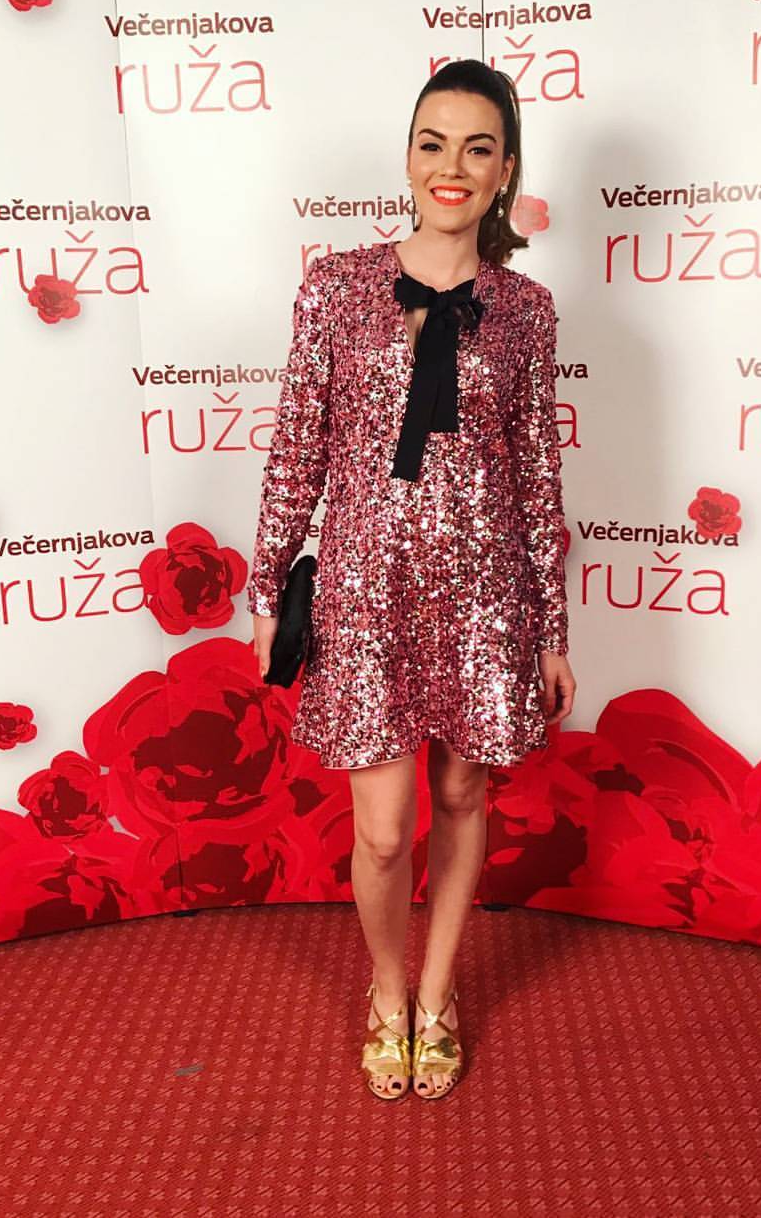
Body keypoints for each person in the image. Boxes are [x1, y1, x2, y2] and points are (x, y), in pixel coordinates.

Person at [247, 60, 576, 1100]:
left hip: (486, 594)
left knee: (463, 792)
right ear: (407, 156)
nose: (452, 166)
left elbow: (537, 477)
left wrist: (552, 629)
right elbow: (296, 450)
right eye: (434, 142)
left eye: (479, 148)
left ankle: (437, 995)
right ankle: (385, 987)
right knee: (386, 831)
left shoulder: (527, 309)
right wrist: (267, 590)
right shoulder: (337, 287)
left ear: (506, 170)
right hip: (365, 589)